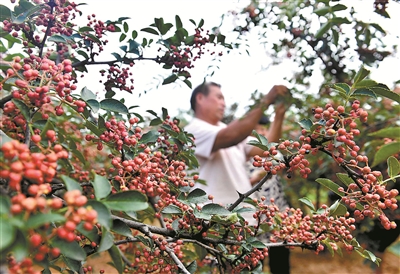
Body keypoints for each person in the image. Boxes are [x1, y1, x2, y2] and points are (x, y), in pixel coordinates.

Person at [185, 82, 289, 213]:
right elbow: (231, 135)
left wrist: (279, 114)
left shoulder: (225, 129)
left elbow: (266, 148)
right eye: (219, 97)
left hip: (243, 216)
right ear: (200, 98)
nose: (223, 103)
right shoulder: (193, 130)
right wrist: (266, 101)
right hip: (213, 218)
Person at [249, 114, 291, 274]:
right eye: (257, 130)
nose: (262, 133)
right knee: (253, 265)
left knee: (280, 265)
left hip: (277, 218)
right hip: (254, 222)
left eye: (265, 130)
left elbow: (281, 161)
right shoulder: (240, 157)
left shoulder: (273, 154)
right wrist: (254, 179)